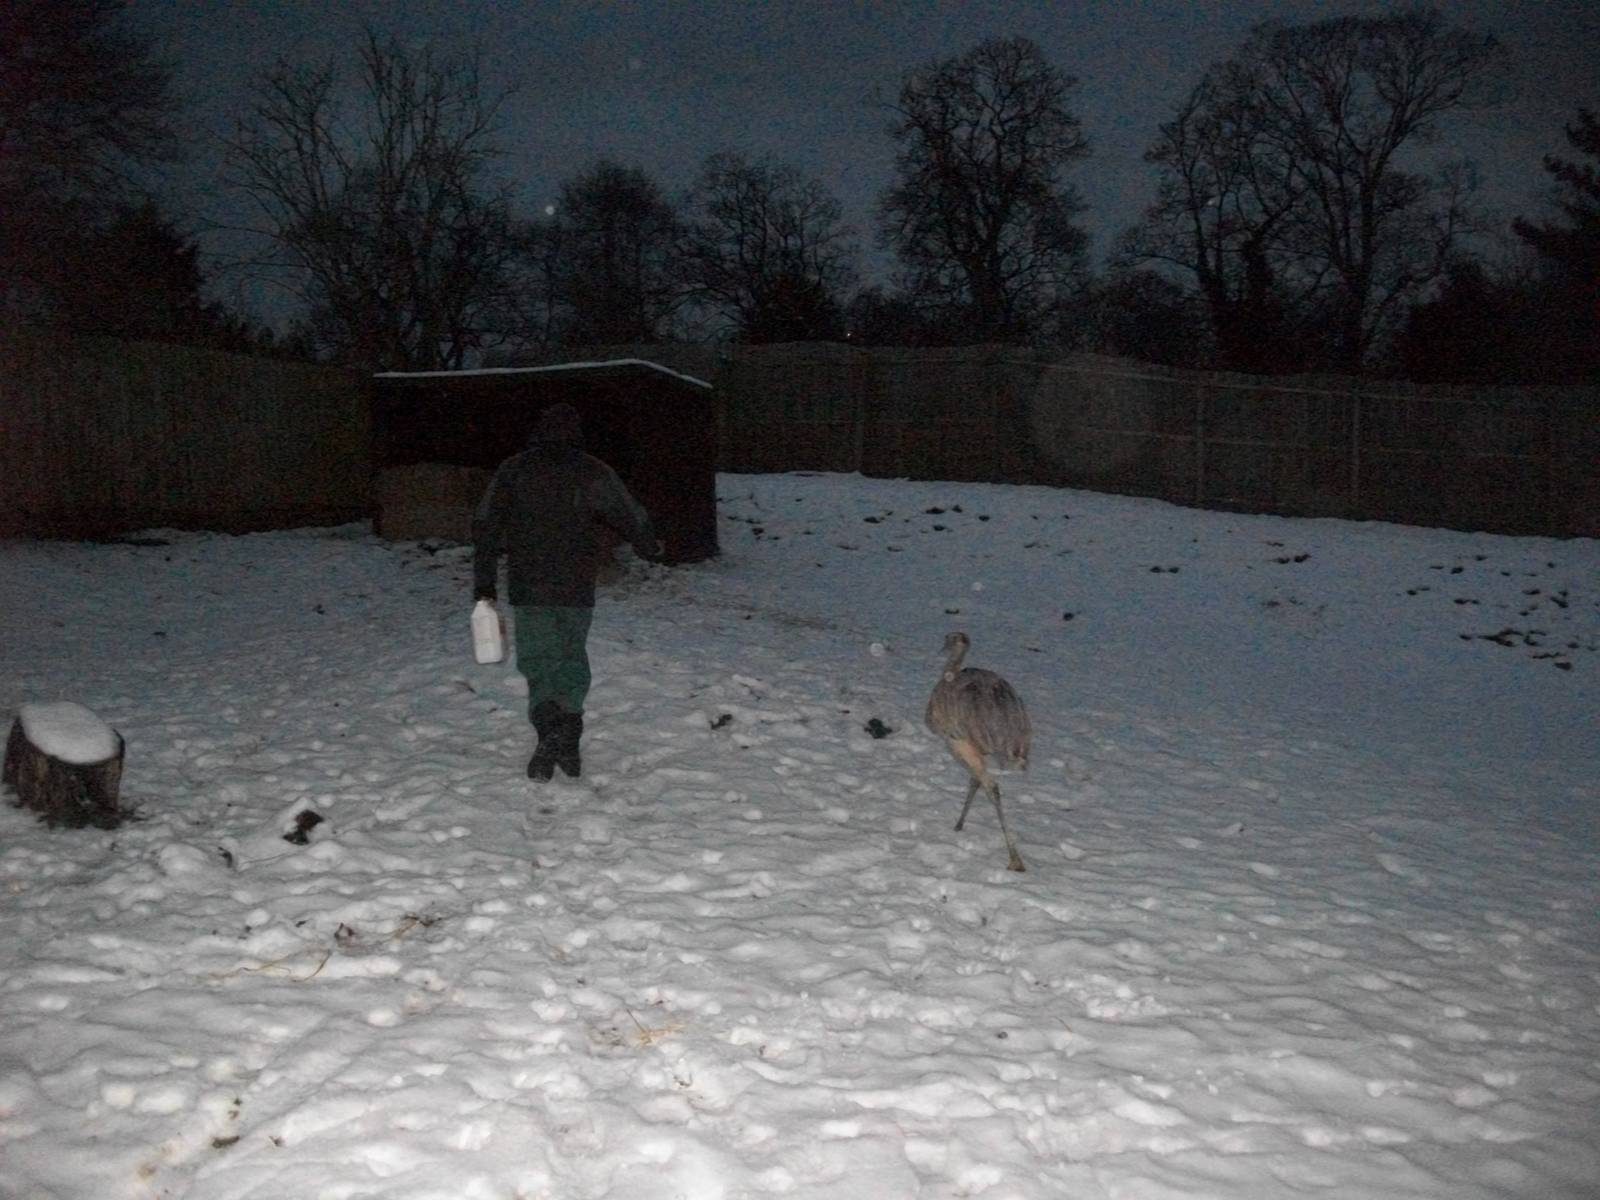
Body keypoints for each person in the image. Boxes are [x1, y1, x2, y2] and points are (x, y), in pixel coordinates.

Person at [472, 403, 660, 781]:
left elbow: (485, 526)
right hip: (575, 584)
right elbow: (629, 513)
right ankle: (569, 733)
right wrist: (649, 545)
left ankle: (548, 735)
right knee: (571, 656)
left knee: (540, 661)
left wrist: (485, 582)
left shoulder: (514, 470)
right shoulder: (591, 469)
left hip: (530, 585)